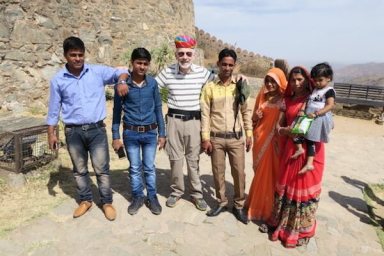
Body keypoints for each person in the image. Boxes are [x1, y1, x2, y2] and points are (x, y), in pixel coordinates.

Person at [47, 36, 129, 221]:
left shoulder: (97, 72)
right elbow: (53, 109)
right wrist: (51, 134)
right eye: (73, 55)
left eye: (80, 55)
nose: (77, 59)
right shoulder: (58, 80)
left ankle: (107, 202)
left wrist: (122, 81)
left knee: (101, 168)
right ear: (65, 56)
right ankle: (85, 200)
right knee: (80, 169)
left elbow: (121, 73)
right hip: (73, 132)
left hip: (96, 130)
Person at [263, 66, 325, 248]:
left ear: (307, 80)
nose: (296, 83)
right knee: (287, 186)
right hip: (291, 149)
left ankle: (302, 230)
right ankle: (281, 225)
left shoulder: (315, 99)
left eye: (300, 79)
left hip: (311, 151)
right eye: (293, 80)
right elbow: (278, 127)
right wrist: (286, 131)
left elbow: (324, 123)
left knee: (303, 187)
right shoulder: (287, 100)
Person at [154, 35, 214, 210]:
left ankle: (196, 194)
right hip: (174, 121)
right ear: (176, 54)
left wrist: (239, 77)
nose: (185, 57)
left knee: (193, 159)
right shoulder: (167, 72)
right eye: (181, 54)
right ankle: (176, 191)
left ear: (193, 55)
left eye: (188, 54)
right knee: (175, 159)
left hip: (195, 121)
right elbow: (152, 88)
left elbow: (220, 83)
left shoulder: (202, 73)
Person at [200, 48, 252, 224]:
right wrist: (205, 138)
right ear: (218, 64)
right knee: (218, 172)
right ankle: (221, 202)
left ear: (234, 66)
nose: (227, 68)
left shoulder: (240, 86)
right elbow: (205, 114)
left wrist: (249, 133)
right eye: (224, 64)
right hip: (216, 138)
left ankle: (238, 205)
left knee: (239, 173)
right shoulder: (209, 88)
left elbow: (246, 111)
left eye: (231, 65)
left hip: (236, 138)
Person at [111, 48, 166, 216]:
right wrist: (115, 136)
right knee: (135, 168)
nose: (141, 67)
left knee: (149, 167)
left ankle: (152, 196)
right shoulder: (122, 86)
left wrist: (162, 134)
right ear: (132, 63)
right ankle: (137, 197)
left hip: (150, 133)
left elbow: (158, 108)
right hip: (131, 134)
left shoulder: (152, 84)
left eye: (145, 64)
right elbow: (116, 112)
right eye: (138, 63)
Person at [246, 68, 287, 222]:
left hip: (275, 143)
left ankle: (269, 211)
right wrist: (255, 117)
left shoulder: (284, 98)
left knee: (272, 176)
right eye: (268, 81)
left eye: (273, 81)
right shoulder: (262, 96)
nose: (269, 84)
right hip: (260, 139)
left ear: (280, 82)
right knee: (260, 175)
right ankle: (256, 206)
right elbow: (253, 119)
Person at [291, 62, 335, 174]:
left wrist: (317, 113)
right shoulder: (314, 90)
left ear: (328, 78)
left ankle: (309, 163)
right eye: (315, 80)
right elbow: (307, 101)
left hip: (318, 117)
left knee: (311, 140)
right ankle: (300, 149)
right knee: (296, 130)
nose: (317, 83)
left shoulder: (328, 91)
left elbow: (330, 105)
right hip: (308, 115)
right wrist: (302, 110)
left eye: (320, 80)